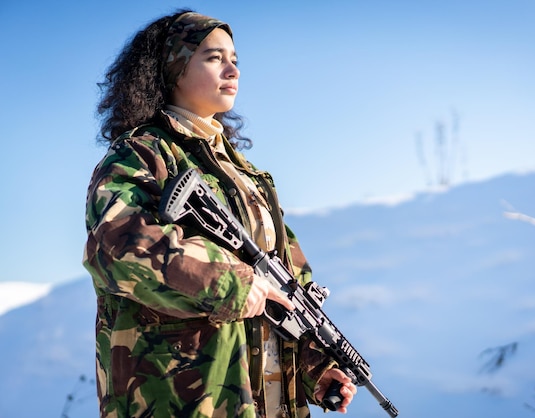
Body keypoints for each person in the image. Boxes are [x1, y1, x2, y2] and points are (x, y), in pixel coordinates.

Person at [83, 9, 357, 418]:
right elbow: (116, 247)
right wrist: (231, 284)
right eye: (214, 57)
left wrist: (315, 368)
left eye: (235, 60)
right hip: (178, 400)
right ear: (173, 67)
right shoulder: (143, 154)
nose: (233, 70)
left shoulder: (246, 175)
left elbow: (289, 286)